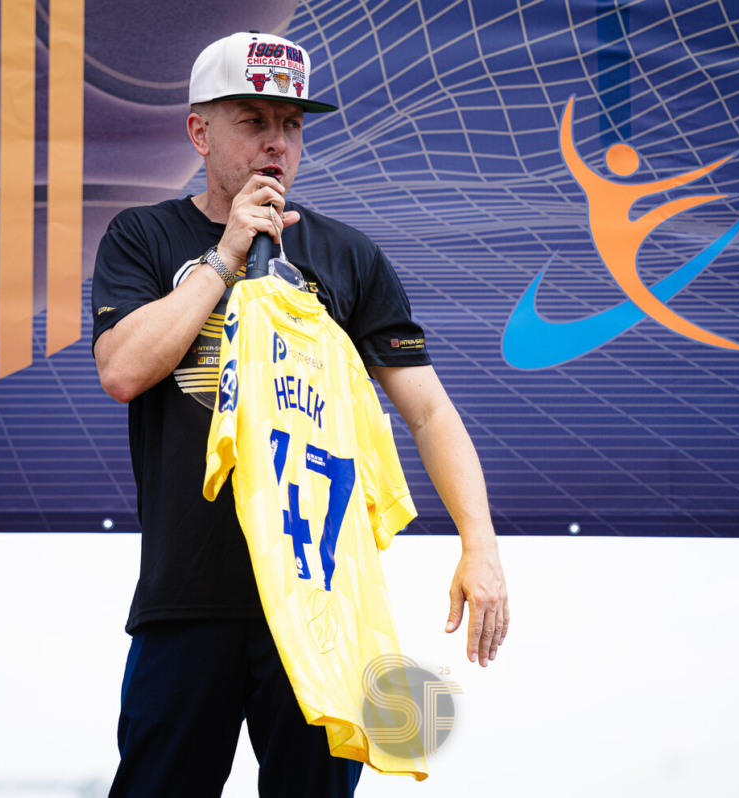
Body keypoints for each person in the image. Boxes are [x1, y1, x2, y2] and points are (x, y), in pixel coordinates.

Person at [92, 31, 509, 797]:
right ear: (200, 132)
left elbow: (428, 412)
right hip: (190, 598)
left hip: (322, 602)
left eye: (291, 125)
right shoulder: (144, 237)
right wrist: (225, 257)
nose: (276, 144)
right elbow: (122, 370)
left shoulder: (349, 255)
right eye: (253, 121)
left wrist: (479, 547)